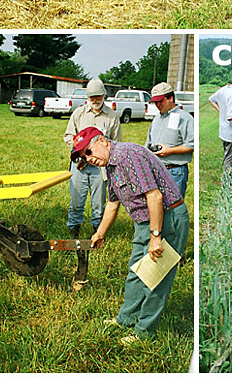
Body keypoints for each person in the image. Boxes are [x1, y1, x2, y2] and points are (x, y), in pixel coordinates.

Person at [71, 127, 189, 343]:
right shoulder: (110, 165)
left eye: (88, 152)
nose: (89, 159)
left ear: (103, 141)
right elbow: (113, 204)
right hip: (144, 221)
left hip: (167, 218)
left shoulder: (127, 155)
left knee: (155, 278)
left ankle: (144, 332)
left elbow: (154, 196)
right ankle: (126, 318)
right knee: (136, 272)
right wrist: (100, 233)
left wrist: (155, 237)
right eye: (83, 158)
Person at [63, 79, 121, 239]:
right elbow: (67, 135)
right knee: (76, 202)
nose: (95, 100)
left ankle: (98, 232)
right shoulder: (79, 113)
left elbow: (116, 143)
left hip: (100, 168)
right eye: (92, 97)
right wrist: (79, 148)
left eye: (98, 96)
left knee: (99, 204)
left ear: (104, 95)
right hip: (79, 165)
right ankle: (73, 231)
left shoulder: (112, 116)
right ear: (87, 97)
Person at [145, 82, 194, 198]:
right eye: (155, 102)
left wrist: (170, 151)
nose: (157, 105)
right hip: (155, 170)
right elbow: (148, 143)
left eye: (160, 101)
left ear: (170, 98)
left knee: (174, 209)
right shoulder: (156, 119)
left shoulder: (185, 118)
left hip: (175, 172)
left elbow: (192, 145)